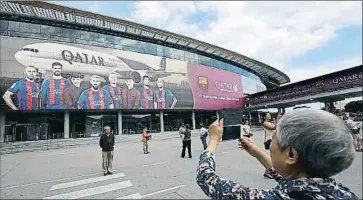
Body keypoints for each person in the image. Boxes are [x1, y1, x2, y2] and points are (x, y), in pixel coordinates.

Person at [196, 109, 358, 200]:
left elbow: (207, 179)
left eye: (274, 138)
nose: (269, 145)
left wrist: (214, 140)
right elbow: (295, 180)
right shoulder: (344, 194)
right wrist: (258, 153)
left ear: (290, 154)